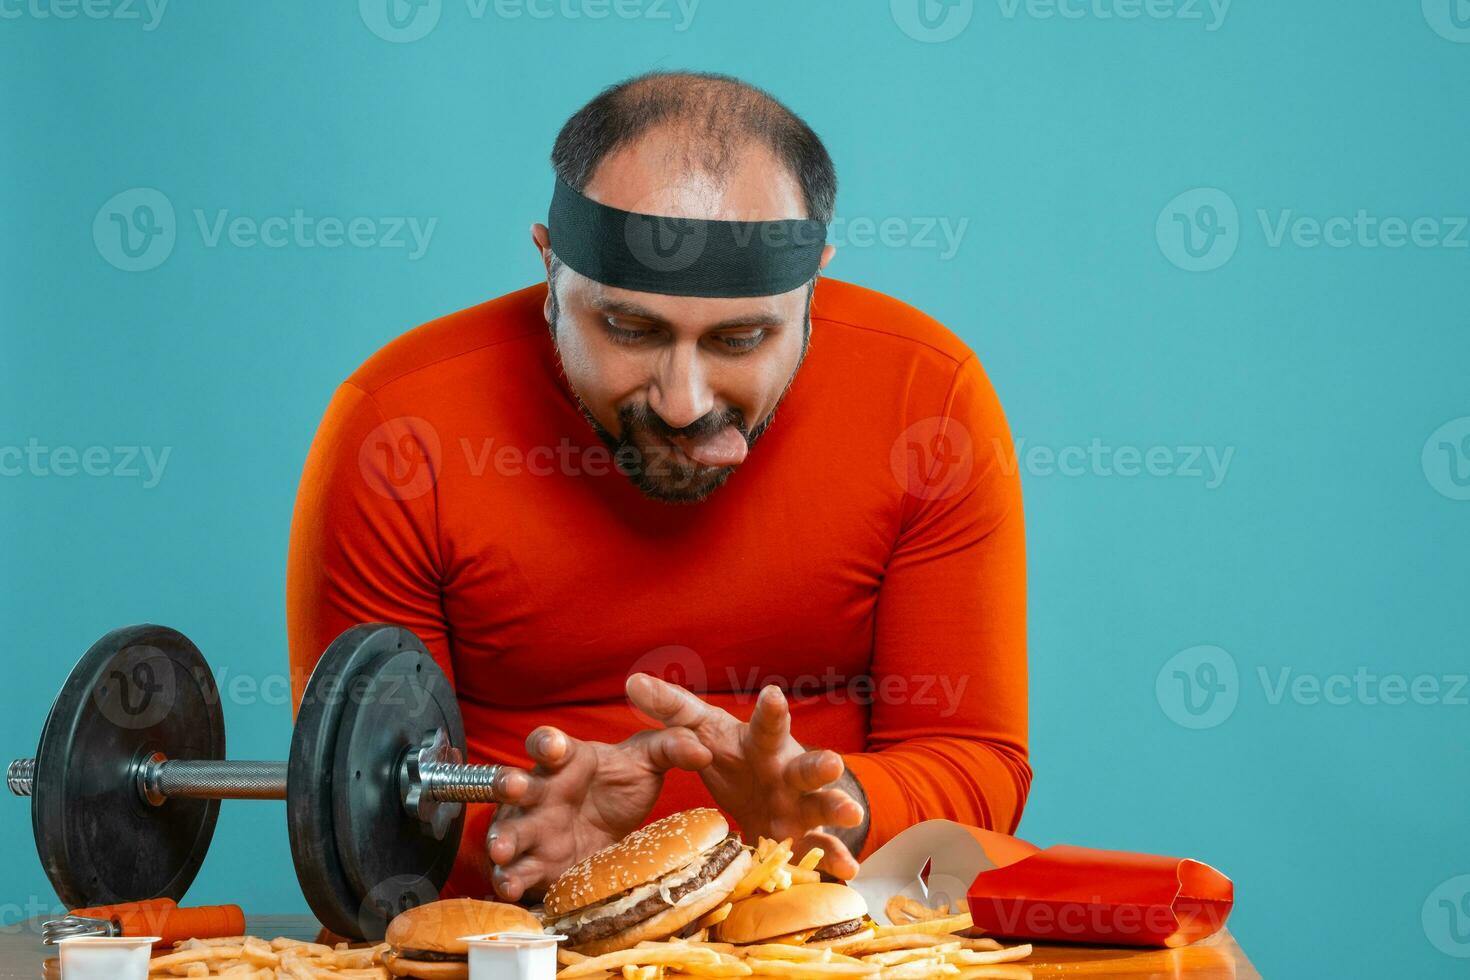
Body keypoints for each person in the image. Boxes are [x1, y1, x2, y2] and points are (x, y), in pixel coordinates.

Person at [286, 70, 1029, 903]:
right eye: (630, 329)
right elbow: (348, 796)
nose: (684, 402)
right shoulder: (399, 428)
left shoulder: (927, 404)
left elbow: (977, 760)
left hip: (833, 938)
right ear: (549, 272)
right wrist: (513, 841)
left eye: (741, 338)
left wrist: (836, 805)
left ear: (813, 286)